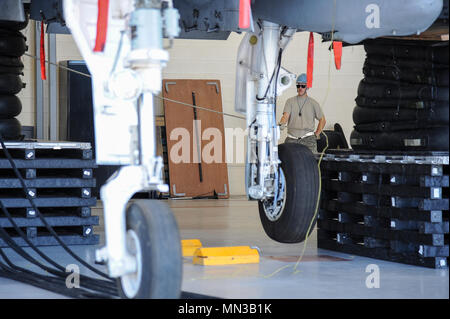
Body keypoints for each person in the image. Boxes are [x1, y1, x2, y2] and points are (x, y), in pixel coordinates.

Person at [278, 73, 326, 153]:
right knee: (287, 161)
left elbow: (322, 120)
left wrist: (317, 134)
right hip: (291, 139)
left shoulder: (313, 103)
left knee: (311, 162)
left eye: (303, 86)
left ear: (307, 87)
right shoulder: (290, 101)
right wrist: (281, 124)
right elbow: (285, 116)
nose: (300, 88)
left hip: (308, 139)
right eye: (298, 85)